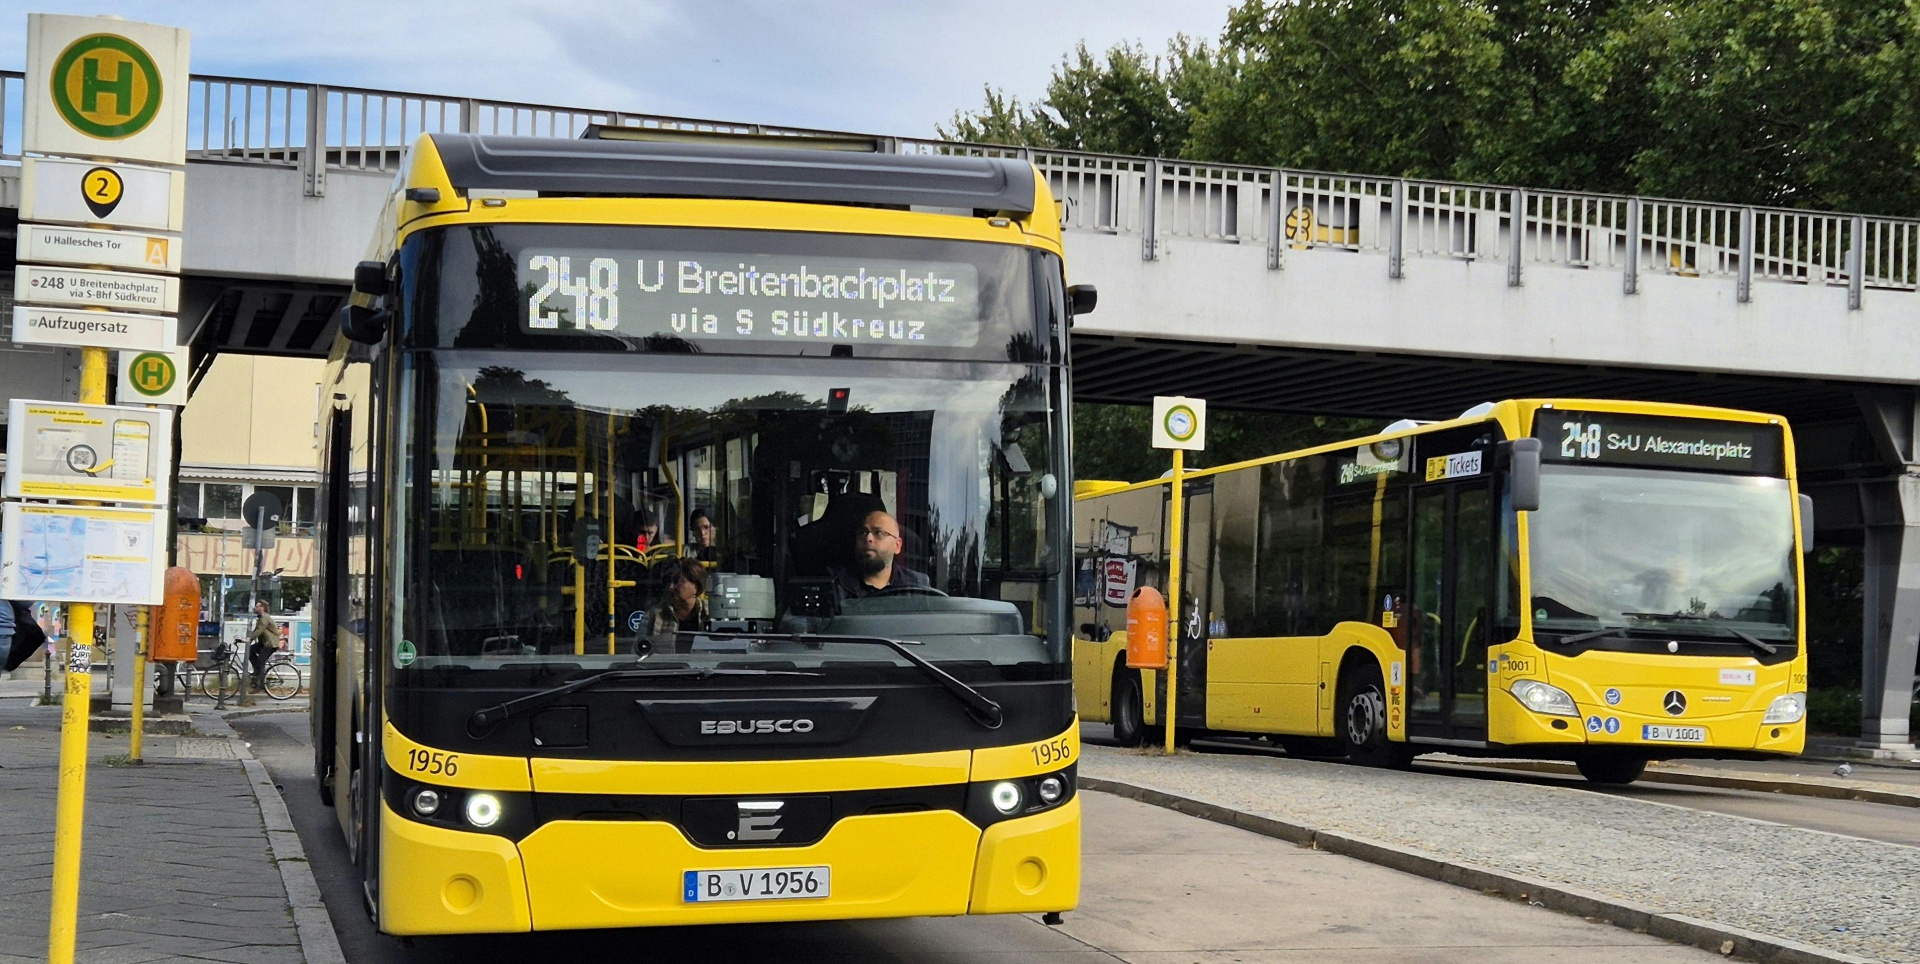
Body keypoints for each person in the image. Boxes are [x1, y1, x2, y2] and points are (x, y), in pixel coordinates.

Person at [830, 510, 929, 599]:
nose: (868, 538)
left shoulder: (917, 585)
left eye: (878, 533)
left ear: (897, 545)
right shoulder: (834, 584)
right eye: (863, 532)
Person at [647, 559, 709, 642]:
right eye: (668, 581)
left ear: (696, 587)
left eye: (677, 582)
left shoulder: (712, 613)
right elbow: (637, 651)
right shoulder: (653, 615)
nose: (670, 587)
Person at [246, 601, 284, 693]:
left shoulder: (265, 617)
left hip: (270, 644)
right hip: (264, 642)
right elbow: (256, 630)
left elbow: (260, 630)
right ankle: (257, 671)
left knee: (260, 661)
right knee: (250, 650)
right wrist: (248, 637)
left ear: (262, 607)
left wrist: (249, 638)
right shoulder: (261, 618)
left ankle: (260, 684)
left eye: (257, 606)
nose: (255, 608)